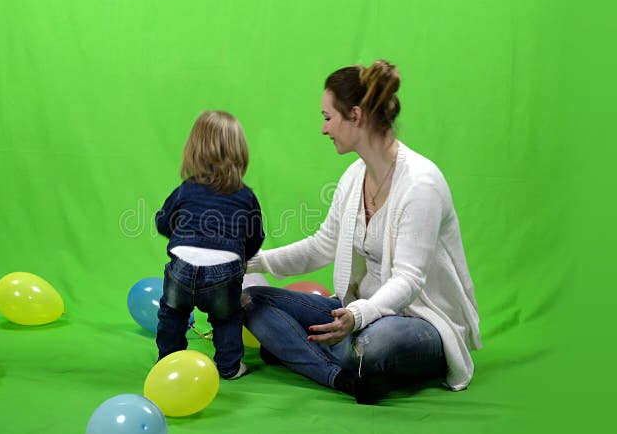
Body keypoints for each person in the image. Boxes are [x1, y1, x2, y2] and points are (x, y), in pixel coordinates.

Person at [242, 60, 481, 403]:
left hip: (418, 321)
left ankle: (294, 351)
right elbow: (322, 246)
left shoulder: (421, 184)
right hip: (357, 312)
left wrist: (357, 315)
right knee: (251, 301)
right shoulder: (355, 176)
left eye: (328, 117)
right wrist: (249, 263)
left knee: (370, 345)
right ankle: (340, 376)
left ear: (355, 116)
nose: (324, 129)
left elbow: (409, 279)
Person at [155, 110, 265, 380]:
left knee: (172, 312)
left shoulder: (186, 189)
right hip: (224, 271)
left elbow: (162, 222)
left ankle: (167, 363)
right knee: (227, 317)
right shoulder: (245, 196)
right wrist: (241, 259)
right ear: (240, 152)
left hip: (182, 266)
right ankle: (229, 366)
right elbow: (255, 237)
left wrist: (182, 236)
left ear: (194, 150)